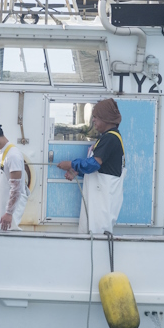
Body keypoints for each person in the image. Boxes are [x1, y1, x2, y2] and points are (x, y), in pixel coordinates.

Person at [57, 98, 125, 234]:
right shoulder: (106, 138)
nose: (93, 120)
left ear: (106, 118)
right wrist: (77, 171)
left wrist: (70, 164)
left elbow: (94, 164)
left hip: (103, 198)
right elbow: (101, 167)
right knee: (91, 230)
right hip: (99, 194)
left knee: (98, 231)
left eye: (96, 117)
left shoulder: (110, 138)